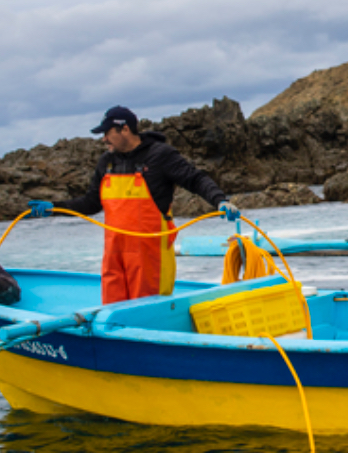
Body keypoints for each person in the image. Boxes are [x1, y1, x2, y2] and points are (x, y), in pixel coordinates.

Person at [27, 105, 239, 304]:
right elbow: (91, 203)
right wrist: (54, 208)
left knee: (146, 311)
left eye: (107, 133)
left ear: (125, 129)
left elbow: (195, 179)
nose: (104, 139)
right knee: (112, 311)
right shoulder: (106, 162)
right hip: (114, 255)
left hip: (150, 254)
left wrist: (220, 200)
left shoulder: (160, 155)